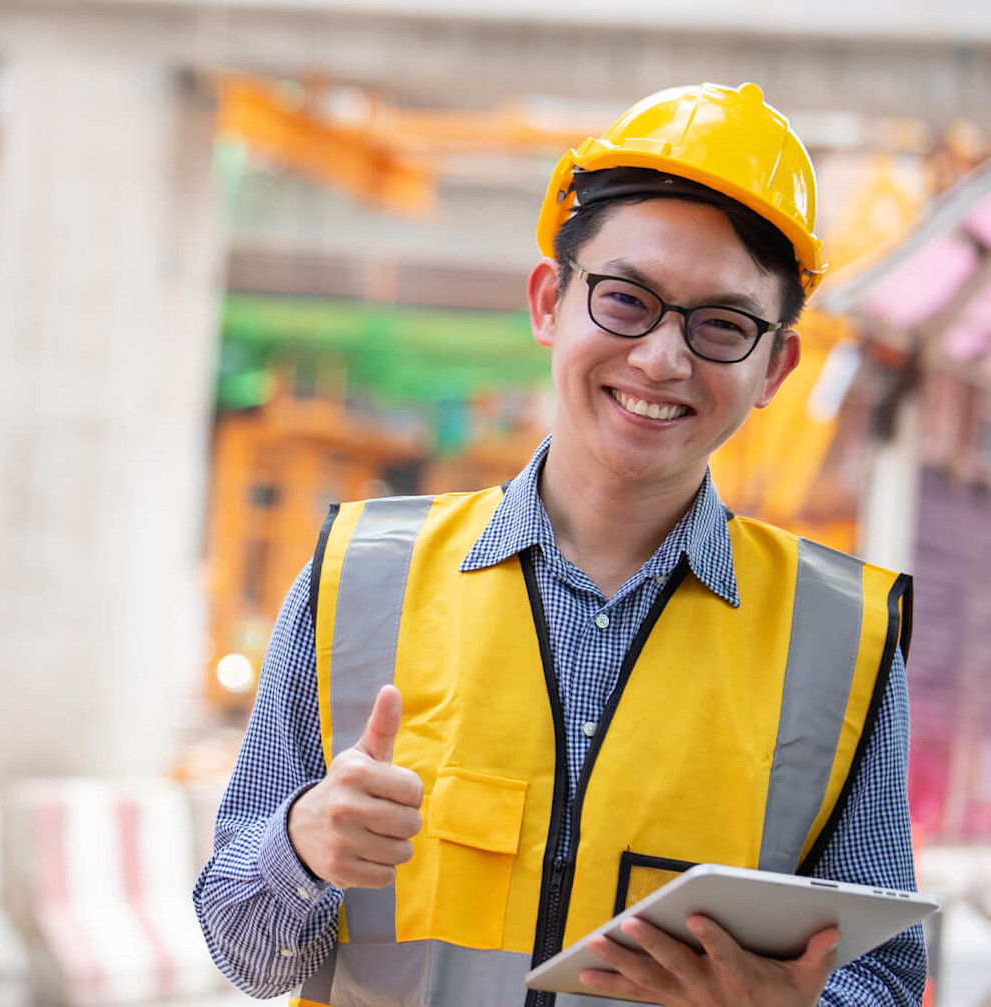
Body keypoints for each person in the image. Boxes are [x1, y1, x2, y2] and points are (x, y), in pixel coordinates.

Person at [192, 82, 924, 1007]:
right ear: (550, 301)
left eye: (723, 325)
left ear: (775, 365)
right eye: (627, 300)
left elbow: (887, 983)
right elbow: (242, 952)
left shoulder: (838, 640)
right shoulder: (361, 576)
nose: (663, 359)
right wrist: (301, 848)